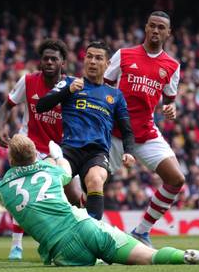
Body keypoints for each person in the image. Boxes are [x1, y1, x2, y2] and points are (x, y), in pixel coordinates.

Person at [0, 134, 199, 267]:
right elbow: (66, 170)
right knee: (150, 258)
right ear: (34, 154)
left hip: (62, 248)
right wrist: (56, 152)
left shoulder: (4, 186)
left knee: (94, 268)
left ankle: (99, 261)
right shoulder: (50, 169)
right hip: (85, 225)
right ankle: (186, 256)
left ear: (11, 159)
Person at [0, 39, 83, 261]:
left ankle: (81, 237)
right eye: (46, 58)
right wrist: (1, 128)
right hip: (30, 145)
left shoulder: (72, 86)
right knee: (22, 190)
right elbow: (6, 106)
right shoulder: (28, 81)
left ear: (63, 62)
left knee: (74, 195)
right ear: (40, 61)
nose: (49, 62)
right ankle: (16, 246)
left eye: (54, 58)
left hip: (60, 149)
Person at [104, 11, 184, 247]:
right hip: (115, 133)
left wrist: (172, 109)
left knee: (176, 179)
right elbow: (103, 86)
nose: (156, 31)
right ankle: (78, 235)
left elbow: (170, 101)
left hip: (146, 133)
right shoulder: (125, 55)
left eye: (162, 27)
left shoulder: (172, 66)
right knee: (93, 184)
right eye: (153, 26)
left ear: (168, 33)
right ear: (146, 28)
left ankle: (141, 232)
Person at [36, 41, 135, 220]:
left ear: (107, 64)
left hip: (96, 153)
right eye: (89, 57)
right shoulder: (69, 82)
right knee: (48, 172)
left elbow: (127, 130)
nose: (92, 61)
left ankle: (92, 235)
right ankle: (54, 227)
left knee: (96, 181)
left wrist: (129, 152)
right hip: (69, 150)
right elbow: (41, 106)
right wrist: (67, 91)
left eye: (98, 58)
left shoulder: (115, 95)